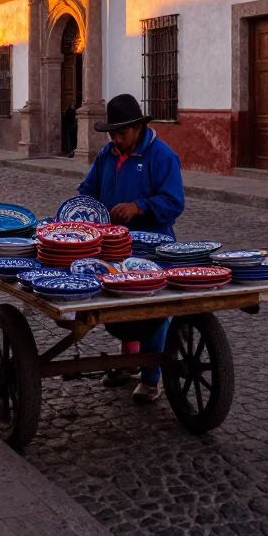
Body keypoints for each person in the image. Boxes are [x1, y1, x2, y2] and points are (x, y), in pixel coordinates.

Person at [78, 93, 185, 403]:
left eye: (121, 133)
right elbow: (88, 192)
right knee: (118, 308)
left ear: (138, 127)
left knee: (151, 312)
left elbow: (174, 203)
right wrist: (81, 214)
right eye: (112, 133)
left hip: (154, 249)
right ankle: (127, 362)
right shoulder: (106, 157)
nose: (116, 139)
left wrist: (138, 207)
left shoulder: (162, 156)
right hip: (115, 250)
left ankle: (152, 378)